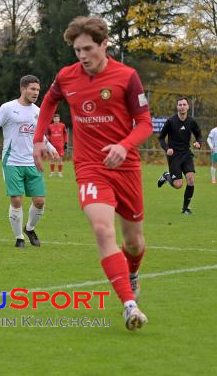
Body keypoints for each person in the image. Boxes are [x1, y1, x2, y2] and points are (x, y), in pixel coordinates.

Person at [32, 16, 152, 331]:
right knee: (102, 230)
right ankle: (130, 305)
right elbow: (48, 102)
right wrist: (37, 141)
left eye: (87, 49)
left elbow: (145, 123)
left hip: (125, 167)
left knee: (134, 242)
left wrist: (124, 146)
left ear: (104, 45)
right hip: (89, 167)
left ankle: (133, 271)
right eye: (76, 50)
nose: (82, 56)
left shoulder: (127, 77)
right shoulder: (66, 77)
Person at [0, 75, 57, 249]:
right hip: (12, 161)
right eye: (32, 89)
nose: (36, 93)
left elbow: (39, 135)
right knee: (16, 200)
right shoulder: (8, 108)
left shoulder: (38, 111)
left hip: (32, 161)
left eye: (38, 90)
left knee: (39, 201)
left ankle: (29, 229)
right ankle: (19, 238)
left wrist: (51, 147)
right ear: (22, 89)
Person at [157, 97, 203, 214]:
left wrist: (199, 142)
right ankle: (167, 176)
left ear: (188, 107)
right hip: (174, 156)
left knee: (191, 180)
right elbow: (161, 137)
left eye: (184, 104)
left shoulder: (191, 121)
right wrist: (167, 149)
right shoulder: (171, 121)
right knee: (178, 185)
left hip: (186, 154)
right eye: (180, 105)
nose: (182, 107)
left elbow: (199, 135)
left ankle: (185, 208)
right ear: (177, 107)